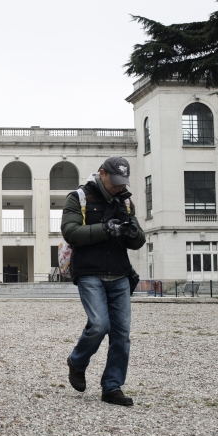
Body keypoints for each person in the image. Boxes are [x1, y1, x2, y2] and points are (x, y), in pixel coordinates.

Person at [61, 156, 145, 406]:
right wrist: (105, 229)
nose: (119, 187)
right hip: (90, 272)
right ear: (102, 173)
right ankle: (77, 361)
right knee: (99, 325)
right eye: (115, 181)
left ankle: (112, 387)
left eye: (123, 182)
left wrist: (133, 233)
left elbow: (138, 241)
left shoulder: (126, 201)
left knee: (122, 335)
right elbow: (70, 232)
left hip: (120, 273)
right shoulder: (79, 198)